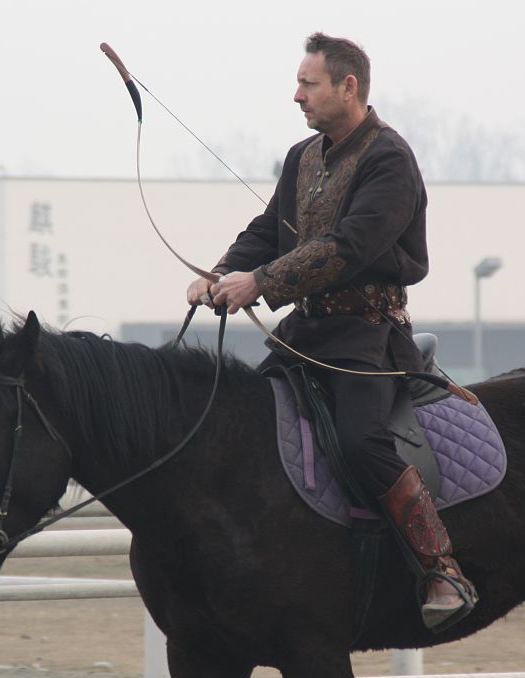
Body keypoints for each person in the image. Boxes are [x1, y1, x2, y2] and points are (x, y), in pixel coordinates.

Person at [186, 32, 477, 631]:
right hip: (306, 334)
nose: (297, 96)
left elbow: (348, 249)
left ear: (349, 87)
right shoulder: (302, 156)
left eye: (308, 84)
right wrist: (219, 272)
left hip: (370, 338)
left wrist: (259, 283)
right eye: (298, 84)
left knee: (360, 440)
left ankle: (440, 567)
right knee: (235, 422)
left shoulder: (389, 159)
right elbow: (269, 229)